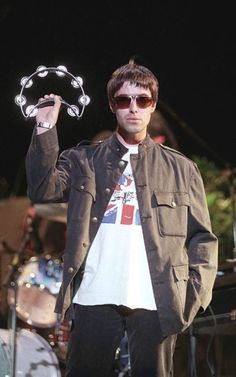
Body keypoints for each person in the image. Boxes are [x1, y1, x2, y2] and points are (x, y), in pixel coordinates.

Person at [25, 62, 218, 377]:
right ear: (113, 105)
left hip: (155, 299)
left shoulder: (181, 170)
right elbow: (42, 188)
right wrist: (45, 128)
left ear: (152, 105)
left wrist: (193, 295)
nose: (132, 108)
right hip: (93, 296)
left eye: (141, 100)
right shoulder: (84, 160)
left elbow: (202, 239)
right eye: (123, 100)